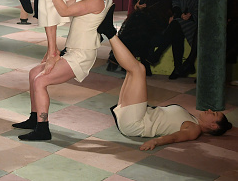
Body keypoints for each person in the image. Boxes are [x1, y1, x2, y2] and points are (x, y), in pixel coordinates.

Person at [13, 0, 117, 140]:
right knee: (33, 74)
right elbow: (61, 4)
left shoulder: (97, 0)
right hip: (72, 51)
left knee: (40, 81)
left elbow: (64, 11)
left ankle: (43, 129)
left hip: (81, 55)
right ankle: (34, 118)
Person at [96, 13, 232, 150]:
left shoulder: (194, 129)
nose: (209, 110)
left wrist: (155, 142)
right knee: (133, 71)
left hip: (136, 123)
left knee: (139, 70)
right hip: (137, 116)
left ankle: (109, 31)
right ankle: (108, 31)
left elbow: (174, 137)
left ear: (213, 126)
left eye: (213, 114)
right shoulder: (192, 119)